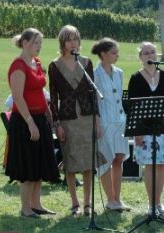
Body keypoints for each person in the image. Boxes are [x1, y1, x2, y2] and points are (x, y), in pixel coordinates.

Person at [5, 28, 60, 218]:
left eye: (41, 43)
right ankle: (25, 208)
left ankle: (36, 205)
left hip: (39, 118)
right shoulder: (18, 66)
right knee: (28, 166)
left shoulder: (36, 62)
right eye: (36, 43)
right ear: (25, 42)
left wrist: (47, 112)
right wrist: (30, 122)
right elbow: (18, 97)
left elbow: (38, 92)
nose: (39, 47)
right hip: (24, 121)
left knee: (39, 164)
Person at [48, 25, 100, 216]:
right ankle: (75, 203)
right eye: (69, 39)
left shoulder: (86, 63)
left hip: (87, 119)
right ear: (62, 42)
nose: (73, 43)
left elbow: (93, 94)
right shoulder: (54, 66)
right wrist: (56, 124)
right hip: (67, 120)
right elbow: (53, 98)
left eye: (75, 39)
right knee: (70, 162)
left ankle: (87, 204)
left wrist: (98, 120)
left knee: (87, 163)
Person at [128, 42, 164, 215]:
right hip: (144, 130)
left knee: (161, 165)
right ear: (140, 57)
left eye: (153, 52)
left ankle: (158, 202)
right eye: (146, 53)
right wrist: (138, 132)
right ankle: (151, 205)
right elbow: (132, 108)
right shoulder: (135, 78)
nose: (150, 55)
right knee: (150, 165)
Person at [91, 37, 131, 211]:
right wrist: (97, 123)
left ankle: (117, 198)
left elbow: (121, 99)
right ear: (103, 54)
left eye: (117, 52)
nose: (117, 55)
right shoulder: (94, 74)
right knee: (105, 160)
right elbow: (94, 102)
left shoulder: (120, 72)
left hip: (121, 121)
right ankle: (110, 200)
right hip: (104, 123)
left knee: (118, 159)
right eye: (113, 52)